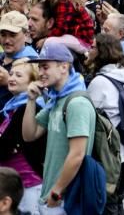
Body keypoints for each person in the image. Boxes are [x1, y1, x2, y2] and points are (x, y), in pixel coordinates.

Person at [22, 42, 95, 214]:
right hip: (52, 197)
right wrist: (31, 100)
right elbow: (29, 135)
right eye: (39, 68)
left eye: (45, 67)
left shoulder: (76, 103)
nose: (40, 73)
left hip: (65, 199)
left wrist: (57, 191)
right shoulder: (56, 100)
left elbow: (77, 154)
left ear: (64, 67)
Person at [87, 33, 124, 215]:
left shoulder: (100, 82)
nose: (89, 50)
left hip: (114, 153)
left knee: (109, 201)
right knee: (117, 198)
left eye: (93, 47)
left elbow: (87, 114)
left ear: (102, 52)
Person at [0, 59, 47, 215]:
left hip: (29, 183)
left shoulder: (28, 109)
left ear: (32, 82)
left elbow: (4, 148)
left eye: (19, 75)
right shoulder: (12, 108)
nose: (11, 78)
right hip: (17, 184)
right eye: (11, 73)